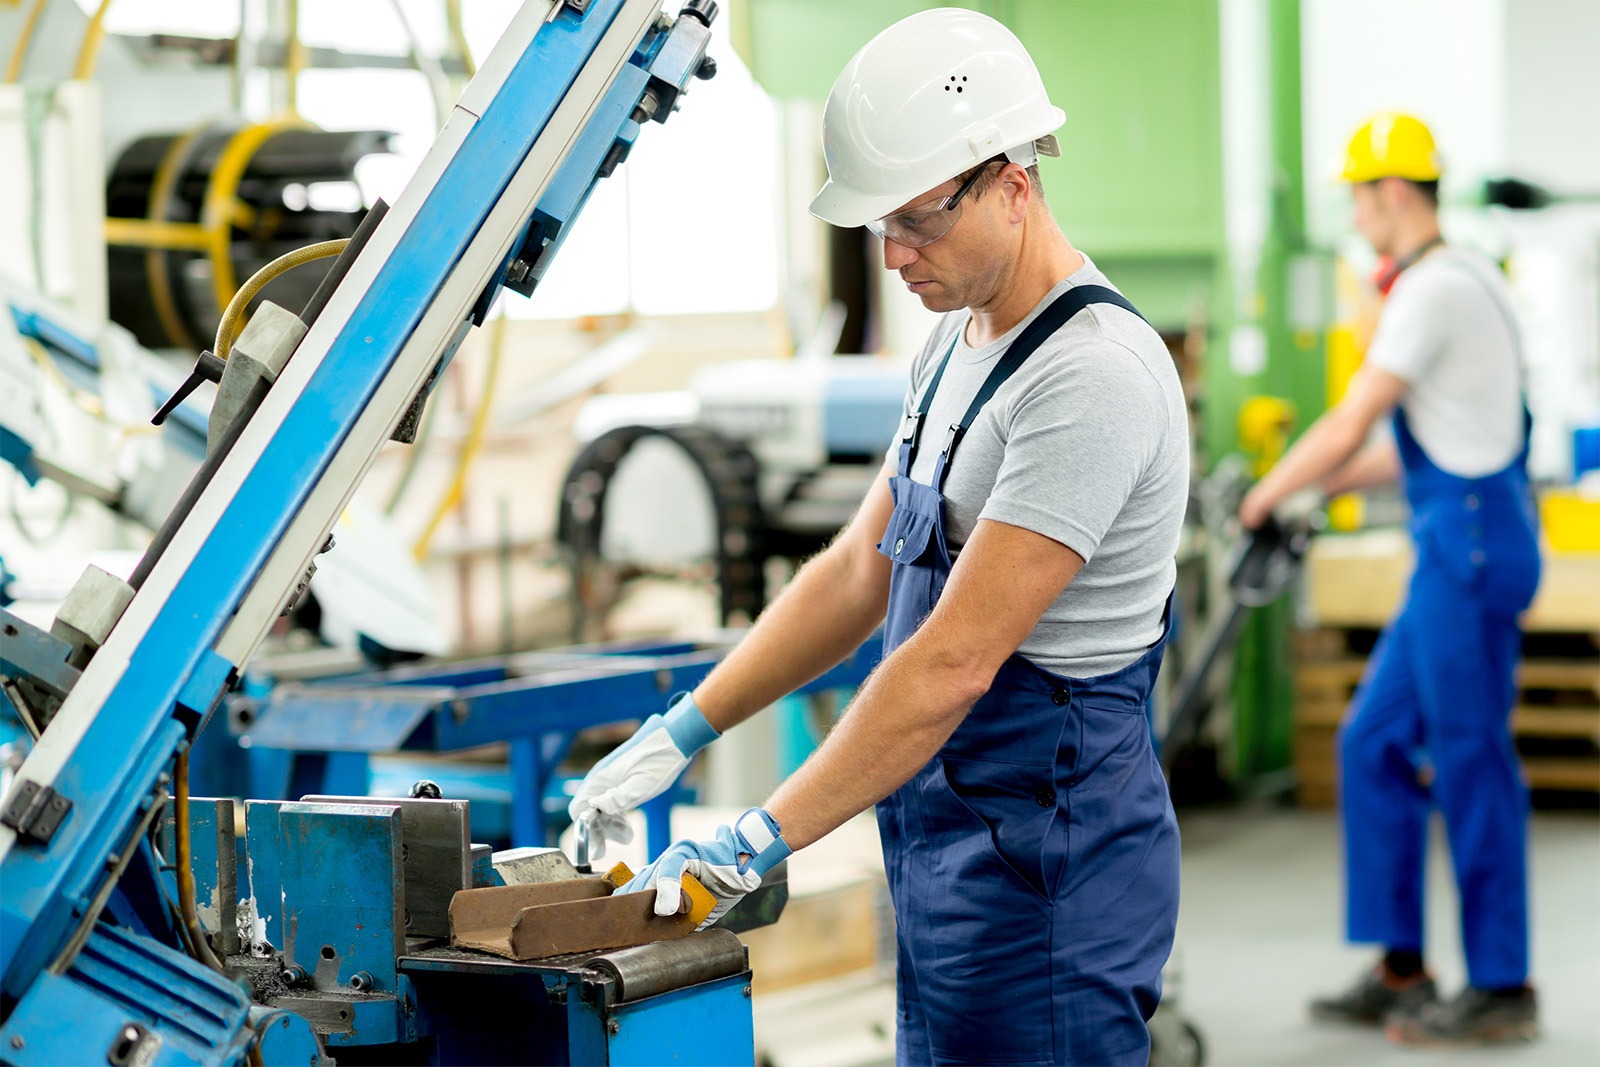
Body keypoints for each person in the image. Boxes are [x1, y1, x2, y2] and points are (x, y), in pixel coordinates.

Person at [570, 10, 1189, 1064]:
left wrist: (755, 837)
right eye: (879, 227)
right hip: (945, 856)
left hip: (1047, 880)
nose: (895, 254)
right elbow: (856, 571)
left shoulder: (1089, 377)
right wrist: (682, 729)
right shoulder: (954, 343)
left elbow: (951, 662)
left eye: (916, 222)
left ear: (1010, 183)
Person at [1240, 112, 1541, 1045]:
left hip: (1473, 548)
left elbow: (1351, 420)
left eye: (1359, 195)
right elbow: (1405, 450)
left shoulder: (1435, 289)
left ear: (1395, 192)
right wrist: (1312, 488)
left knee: (1470, 757)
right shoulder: (1461, 282)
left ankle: (1503, 986)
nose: (1355, 213)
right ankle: (1402, 967)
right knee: (1371, 740)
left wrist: (1267, 493)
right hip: (1458, 541)